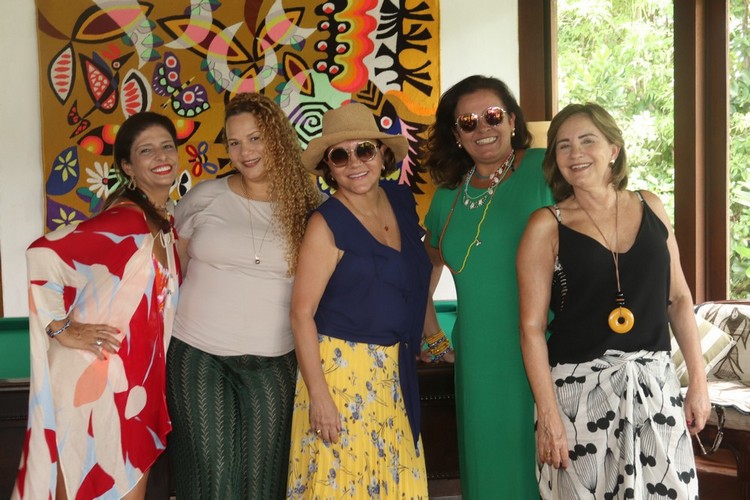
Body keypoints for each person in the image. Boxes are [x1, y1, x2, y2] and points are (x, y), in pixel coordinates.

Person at [517, 102, 710, 498]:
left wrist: (698, 380)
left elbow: (678, 299)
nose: (576, 153)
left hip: (655, 388)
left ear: (613, 150)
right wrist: (549, 416)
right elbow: (531, 328)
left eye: (587, 140)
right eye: (564, 145)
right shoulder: (546, 224)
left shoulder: (651, 205)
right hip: (578, 396)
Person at [12, 111, 181, 500]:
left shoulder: (161, 222)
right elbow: (41, 255)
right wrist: (62, 329)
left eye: (167, 146)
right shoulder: (126, 221)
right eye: (146, 150)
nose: (161, 156)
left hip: (130, 380)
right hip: (95, 376)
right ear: (128, 166)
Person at [166, 92, 321, 499]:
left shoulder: (310, 206)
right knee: (211, 480)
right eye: (234, 142)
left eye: (255, 139)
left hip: (274, 358)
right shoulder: (204, 197)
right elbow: (170, 270)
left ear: (277, 138)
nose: (244, 152)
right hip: (197, 353)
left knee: (263, 482)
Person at [286, 102, 432, 498]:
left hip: (394, 374)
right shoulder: (325, 224)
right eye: (340, 155)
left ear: (382, 154)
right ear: (329, 167)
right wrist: (319, 396)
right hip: (340, 377)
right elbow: (300, 314)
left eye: (364, 150)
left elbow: (417, 275)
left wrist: (433, 338)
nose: (354, 163)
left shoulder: (400, 200)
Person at [420, 74, 553, 498]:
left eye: (492, 115)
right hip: (478, 357)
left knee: (545, 465)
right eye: (468, 122)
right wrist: (432, 333)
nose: (482, 128)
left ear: (512, 120)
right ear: (456, 134)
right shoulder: (447, 196)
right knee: (488, 469)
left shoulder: (544, 168)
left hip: (545, 347)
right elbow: (425, 266)